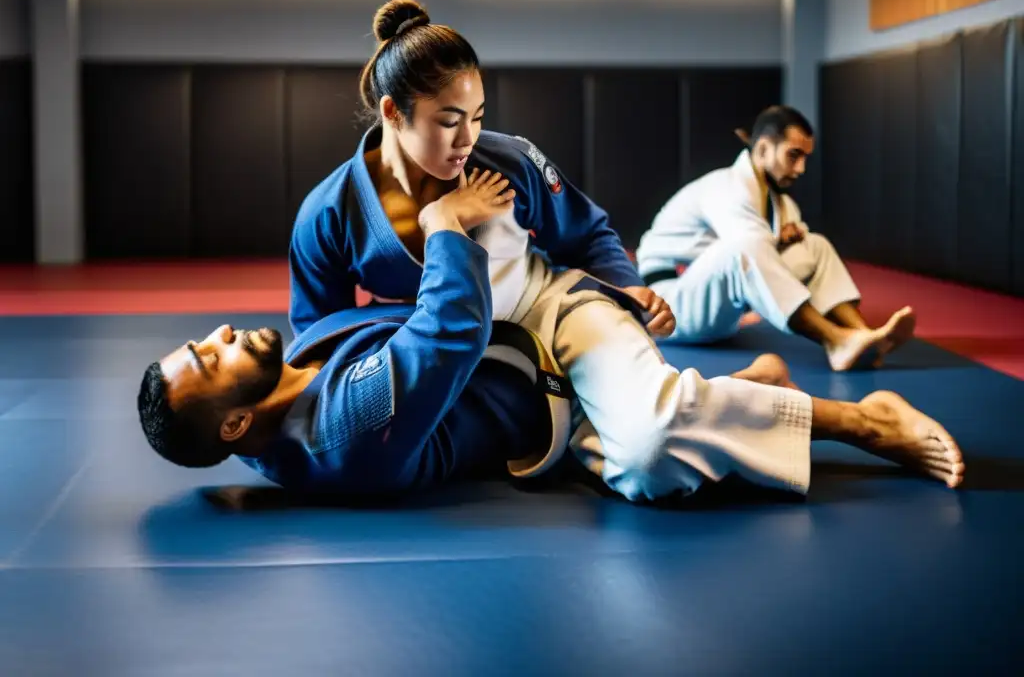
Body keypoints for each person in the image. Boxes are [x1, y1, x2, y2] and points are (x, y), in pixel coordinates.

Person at [277, 0, 961, 502]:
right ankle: (738, 392)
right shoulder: (329, 214)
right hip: (468, 365)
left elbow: (591, 233)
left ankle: (864, 420)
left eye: (477, 118)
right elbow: (325, 339)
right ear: (394, 113)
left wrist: (626, 290)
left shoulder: (507, 162)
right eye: (448, 122)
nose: (466, 140)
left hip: (559, 312)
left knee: (652, 451)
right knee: (621, 463)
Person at [136, 180, 964, 498]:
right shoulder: (339, 426)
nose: (217, 336)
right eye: (210, 359)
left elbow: (319, 317)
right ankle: (815, 400)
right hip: (536, 380)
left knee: (654, 437)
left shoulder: (263, 405)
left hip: (542, 333)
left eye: (201, 341)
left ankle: (851, 418)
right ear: (235, 422)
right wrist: (442, 222)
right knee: (647, 464)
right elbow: (449, 334)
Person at [634, 105, 917, 372]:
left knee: (815, 246)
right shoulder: (724, 187)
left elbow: (771, 254)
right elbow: (747, 249)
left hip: (720, 313)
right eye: (793, 155)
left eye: (805, 157)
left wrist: (781, 241)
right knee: (747, 245)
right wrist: (776, 240)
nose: (800, 168)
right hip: (670, 307)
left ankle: (863, 336)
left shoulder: (781, 203)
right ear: (764, 148)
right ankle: (836, 340)